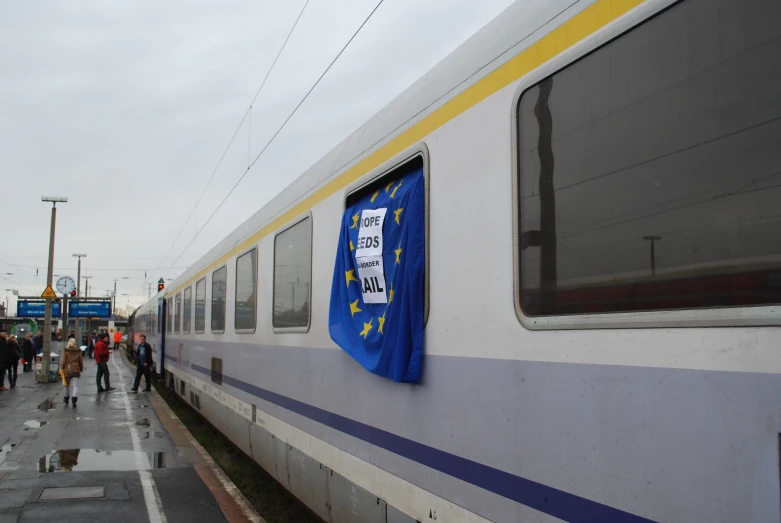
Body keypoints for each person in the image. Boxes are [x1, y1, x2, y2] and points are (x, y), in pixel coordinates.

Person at [61, 338, 84, 407]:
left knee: (67, 385)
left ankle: (66, 398)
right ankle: (74, 400)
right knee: (75, 385)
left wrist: (62, 368)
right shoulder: (78, 351)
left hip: (67, 369)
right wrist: (81, 369)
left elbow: (63, 362)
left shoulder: (66, 351)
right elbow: (81, 361)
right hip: (76, 369)